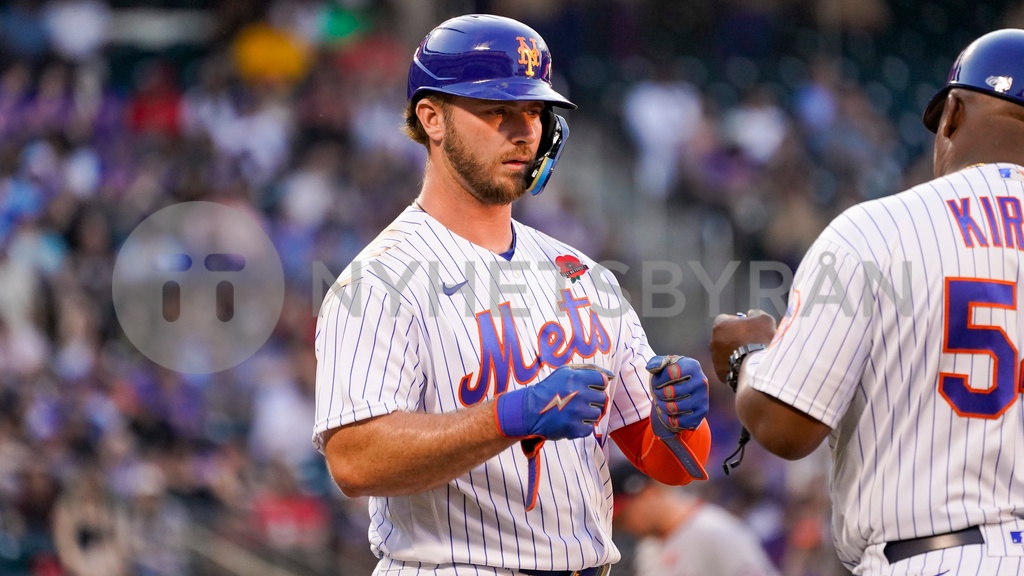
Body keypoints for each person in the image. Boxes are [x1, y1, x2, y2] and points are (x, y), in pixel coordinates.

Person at [313, 14, 713, 576]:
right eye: (495, 111)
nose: (523, 130)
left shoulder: (584, 276)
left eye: (532, 111)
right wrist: (508, 416)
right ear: (432, 118)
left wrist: (680, 419)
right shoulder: (380, 280)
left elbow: (668, 461)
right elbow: (354, 461)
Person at [709, 29, 1024, 575]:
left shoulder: (877, 230)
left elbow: (787, 426)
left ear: (951, 116)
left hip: (937, 557)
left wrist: (746, 359)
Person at [609, 460, 781, 576]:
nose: (624, 526)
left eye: (624, 516)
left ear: (649, 493)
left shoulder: (715, 531)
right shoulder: (647, 549)